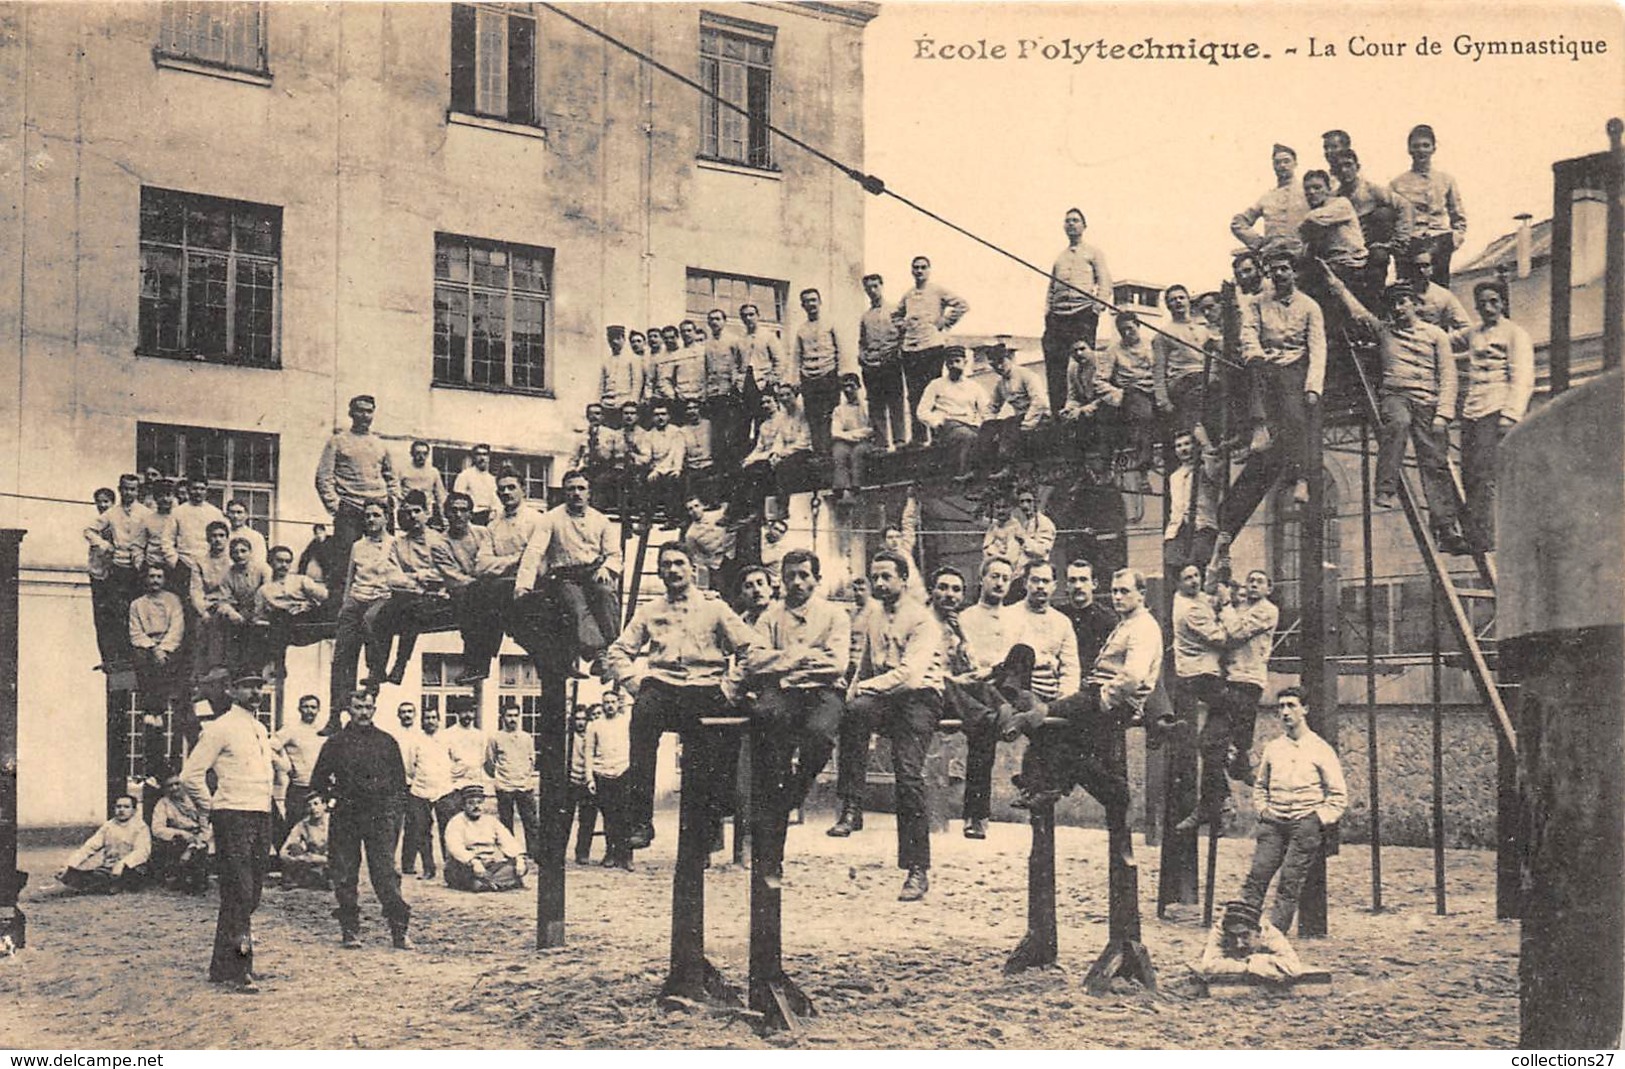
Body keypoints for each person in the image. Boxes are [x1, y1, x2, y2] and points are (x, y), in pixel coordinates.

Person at [601, 543, 759, 850]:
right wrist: (635, 683)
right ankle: (641, 821)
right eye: (666, 565)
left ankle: (713, 822)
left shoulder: (715, 608)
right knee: (642, 717)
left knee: (715, 742)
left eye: (678, 563)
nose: (672, 570)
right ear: (660, 572)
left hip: (705, 685)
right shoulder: (650, 610)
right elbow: (618, 651)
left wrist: (731, 685)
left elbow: (750, 649)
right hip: (663, 685)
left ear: (693, 570)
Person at [1322, 272, 1469, 552]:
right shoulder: (1384, 330)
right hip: (1396, 395)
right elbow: (1357, 312)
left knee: (1435, 461)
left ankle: (1446, 526)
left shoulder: (1437, 336)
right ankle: (1385, 488)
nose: (1398, 309)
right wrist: (1335, 282)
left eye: (1403, 302)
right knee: (1397, 424)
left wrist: (1443, 414)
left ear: (1414, 303)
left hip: (1428, 401)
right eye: (1393, 305)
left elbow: (1449, 376)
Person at [1003, 569, 1163, 819]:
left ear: (1141, 594)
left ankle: (1046, 783)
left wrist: (1104, 698)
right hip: (1102, 696)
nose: (1117, 597)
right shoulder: (1128, 623)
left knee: (1047, 720)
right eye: (1114, 591)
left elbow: (1134, 675)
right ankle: (1044, 783)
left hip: (1114, 701)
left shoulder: (1143, 627)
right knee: (1060, 739)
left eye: (1124, 591)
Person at [834, 551, 943, 901]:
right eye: (875, 577)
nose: (880, 584)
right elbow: (865, 662)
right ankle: (852, 806)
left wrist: (864, 689)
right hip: (884, 695)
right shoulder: (874, 615)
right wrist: (853, 693)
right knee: (853, 713)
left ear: (903, 579)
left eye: (887, 577)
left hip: (920, 697)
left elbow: (910, 678)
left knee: (908, 775)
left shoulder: (922, 619)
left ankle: (917, 870)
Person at [1212, 238, 1326, 570]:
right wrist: (1255, 355)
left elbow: (1318, 349)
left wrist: (1313, 387)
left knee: (1294, 411)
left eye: (1284, 270)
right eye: (1274, 270)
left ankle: (1301, 478)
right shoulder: (1258, 303)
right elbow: (1248, 333)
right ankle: (1258, 428)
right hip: (1267, 364)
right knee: (1256, 369)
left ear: (1293, 273)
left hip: (1295, 366)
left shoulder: (1309, 306)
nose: (1279, 275)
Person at [744, 549, 850, 887]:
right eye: (790, 575)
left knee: (820, 736)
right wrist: (803, 657)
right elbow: (755, 660)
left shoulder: (835, 615)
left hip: (823, 691)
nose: (797, 582)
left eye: (804, 575)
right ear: (782, 579)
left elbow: (836, 664)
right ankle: (770, 863)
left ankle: (799, 786)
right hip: (783, 693)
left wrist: (785, 660)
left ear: (817, 579)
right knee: (770, 770)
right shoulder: (770, 617)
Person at [180, 672, 278, 993]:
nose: (255, 692)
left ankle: (222, 966)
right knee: (240, 893)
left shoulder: (261, 729)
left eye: (259, 686)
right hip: (232, 818)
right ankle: (240, 968)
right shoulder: (219, 728)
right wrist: (212, 809)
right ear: (231, 689)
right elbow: (191, 775)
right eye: (247, 686)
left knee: (249, 895)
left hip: (260, 816)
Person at [308, 689, 412, 947]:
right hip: (347, 815)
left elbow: (400, 785)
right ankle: (350, 930)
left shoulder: (387, 742)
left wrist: (392, 815)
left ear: (374, 710)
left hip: (379, 816)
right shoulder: (335, 743)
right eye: (358, 707)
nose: (363, 712)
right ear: (349, 709)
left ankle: (399, 931)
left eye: (368, 707)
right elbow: (318, 781)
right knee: (344, 874)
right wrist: (334, 797)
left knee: (385, 873)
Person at [1237, 688, 1347, 933]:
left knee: (1289, 882)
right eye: (1281, 706)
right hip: (1274, 823)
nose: (1285, 712)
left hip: (1304, 824)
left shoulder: (1320, 748)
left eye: (1292, 706)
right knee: (1257, 877)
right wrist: (1264, 811)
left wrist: (1316, 819)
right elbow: (1260, 786)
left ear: (1305, 709)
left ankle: (1275, 937)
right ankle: (1242, 933)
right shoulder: (1273, 748)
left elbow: (1338, 796)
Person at [513, 469, 622, 667]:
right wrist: (523, 586)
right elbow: (534, 552)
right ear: (565, 493)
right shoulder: (551, 518)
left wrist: (607, 568)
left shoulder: (601, 520)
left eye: (581, 489)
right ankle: (599, 653)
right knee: (575, 602)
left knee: (606, 593)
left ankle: (613, 651)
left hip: (594, 571)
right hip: (565, 576)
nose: (576, 493)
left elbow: (615, 554)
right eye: (571, 489)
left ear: (589, 493)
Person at [1458, 282, 1535, 555]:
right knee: (1468, 473)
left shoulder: (1515, 334)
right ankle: (1473, 534)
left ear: (1503, 303)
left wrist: (1510, 415)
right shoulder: (1473, 333)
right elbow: (1449, 340)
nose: (1488, 308)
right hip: (1472, 410)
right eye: (1482, 303)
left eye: (1494, 301)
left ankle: (1484, 537)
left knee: (1484, 474)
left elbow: (1523, 377)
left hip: (1496, 408)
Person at [955, 557, 1020, 837]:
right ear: (982, 579)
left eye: (1005, 578)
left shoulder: (1017, 617)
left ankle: (975, 815)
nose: (999, 583)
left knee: (1020, 656)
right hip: (979, 691)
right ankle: (976, 816)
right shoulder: (966, 617)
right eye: (994, 576)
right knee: (983, 735)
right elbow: (966, 661)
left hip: (1007, 687)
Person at [458, 471, 542, 684]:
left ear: (523, 489)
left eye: (511, 487)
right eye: (502, 489)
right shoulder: (494, 524)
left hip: (532, 583)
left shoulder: (537, 520)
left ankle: (479, 662)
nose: (506, 492)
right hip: (501, 583)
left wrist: (504, 563)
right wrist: (514, 559)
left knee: (487, 594)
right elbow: (482, 564)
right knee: (473, 592)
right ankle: (477, 664)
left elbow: (537, 559)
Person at [1167, 565, 1233, 833]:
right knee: (1213, 741)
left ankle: (1220, 801)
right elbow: (1222, 638)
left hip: (1196, 673)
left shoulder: (1190, 598)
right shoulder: (1189, 609)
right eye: (1187, 578)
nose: (1194, 581)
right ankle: (1224, 790)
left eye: (1196, 576)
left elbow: (1208, 593)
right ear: (1178, 582)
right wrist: (1227, 605)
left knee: (1210, 743)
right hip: (1202, 675)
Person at [315, 395, 398, 605]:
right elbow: (323, 477)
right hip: (350, 509)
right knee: (345, 564)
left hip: (379, 508)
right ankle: (340, 616)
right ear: (351, 413)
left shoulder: (379, 444)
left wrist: (392, 501)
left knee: (386, 559)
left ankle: (383, 608)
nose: (364, 415)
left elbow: (391, 477)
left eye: (369, 411)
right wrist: (337, 507)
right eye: (360, 410)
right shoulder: (338, 441)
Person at [327, 501, 398, 726]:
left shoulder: (395, 544)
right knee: (341, 657)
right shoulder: (358, 546)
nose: (371, 520)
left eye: (376, 515)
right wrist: (346, 605)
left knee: (372, 625)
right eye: (367, 516)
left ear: (386, 518)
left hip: (383, 597)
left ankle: (374, 677)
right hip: (357, 598)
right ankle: (336, 713)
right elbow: (350, 577)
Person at [1042, 207, 1112, 418]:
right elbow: (1051, 289)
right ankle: (1059, 414)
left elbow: (1105, 281)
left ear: (1084, 226)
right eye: (1068, 221)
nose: (1071, 224)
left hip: (1082, 314)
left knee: (1082, 362)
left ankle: (1085, 412)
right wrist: (1048, 312)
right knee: (1056, 364)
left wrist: (1096, 307)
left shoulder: (1093, 252)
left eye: (1075, 221)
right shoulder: (1059, 258)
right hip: (1058, 317)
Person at [895, 256, 969, 444]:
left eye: (923, 267)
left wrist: (944, 322)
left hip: (932, 348)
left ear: (929, 270)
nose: (919, 271)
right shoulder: (909, 294)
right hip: (911, 349)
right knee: (914, 394)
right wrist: (903, 326)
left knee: (935, 391)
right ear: (912, 271)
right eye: (916, 268)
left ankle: (938, 436)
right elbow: (896, 315)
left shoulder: (937, 290)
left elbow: (962, 305)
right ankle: (918, 438)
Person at [1329, 148, 1413, 300]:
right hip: (1349, 248)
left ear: (1357, 167)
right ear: (1334, 172)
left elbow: (1404, 206)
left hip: (1372, 245)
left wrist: (1399, 240)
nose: (1344, 170)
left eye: (1348, 165)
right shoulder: (1334, 197)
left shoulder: (1371, 190)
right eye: (1339, 168)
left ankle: (1377, 299)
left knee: (1383, 217)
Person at [1390, 124, 1467, 285]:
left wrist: (1456, 238)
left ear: (1433, 149)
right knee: (1407, 290)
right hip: (1411, 242)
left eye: (1426, 145)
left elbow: (1458, 215)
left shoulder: (1446, 180)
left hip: (1439, 240)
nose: (1421, 150)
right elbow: (1391, 218)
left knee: (1439, 289)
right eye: (1416, 146)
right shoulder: (1397, 184)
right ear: (1409, 150)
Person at [90, 473, 152, 669]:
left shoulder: (146, 513)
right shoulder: (111, 513)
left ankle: (136, 655)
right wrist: (104, 545)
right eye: (125, 488)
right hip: (117, 567)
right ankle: (119, 657)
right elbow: (89, 530)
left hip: (138, 568)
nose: (129, 492)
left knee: (137, 610)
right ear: (120, 489)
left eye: (133, 489)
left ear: (138, 491)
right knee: (118, 611)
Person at [129, 563, 186, 759]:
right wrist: (153, 648)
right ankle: (150, 712)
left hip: (168, 645)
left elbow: (177, 627)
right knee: (142, 660)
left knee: (167, 668)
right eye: (151, 576)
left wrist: (163, 648)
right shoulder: (137, 604)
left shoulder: (173, 601)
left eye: (159, 577)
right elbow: (135, 632)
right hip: (147, 646)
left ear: (164, 579)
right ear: (146, 579)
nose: (155, 580)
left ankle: (158, 712)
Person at [1153, 285, 1219, 449]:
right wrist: (1162, 401)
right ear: (1168, 306)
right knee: (1196, 394)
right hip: (1182, 380)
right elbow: (1158, 370)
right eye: (1173, 300)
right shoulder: (1163, 334)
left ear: (1188, 300)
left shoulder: (1204, 328)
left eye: (1181, 297)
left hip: (1207, 377)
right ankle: (1206, 446)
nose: (1178, 302)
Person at [246, 544, 329, 673]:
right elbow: (258, 618)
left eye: (287, 561)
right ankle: (277, 667)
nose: (283, 565)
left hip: (306, 623)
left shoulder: (301, 580)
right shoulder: (264, 590)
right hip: (283, 628)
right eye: (279, 561)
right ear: (270, 562)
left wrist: (310, 605)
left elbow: (325, 597)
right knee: (279, 616)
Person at [1097, 312, 1158, 480]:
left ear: (1138, 326)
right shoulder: (1113, 350)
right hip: (1132, 391)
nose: (1126, 334)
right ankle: (1143, 465)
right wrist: (1117, 394)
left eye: (1130, 329)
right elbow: (1100, 380)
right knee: (1143, 414)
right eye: (1122, 330)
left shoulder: (1152, 344)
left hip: (1156, 388)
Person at [737, 387, 812, 520]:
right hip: (785, 452)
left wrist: (782, 454)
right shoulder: (782, 418)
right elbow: (779, 440)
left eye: (788, 395)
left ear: (795, 395)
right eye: (781, 396)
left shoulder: (803, 414)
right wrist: (775, 454)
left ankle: (782, 508)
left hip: (802, 451)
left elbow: (804, 441)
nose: (785, 398)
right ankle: (750, 511)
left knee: (783, 467)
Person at [1014, 561, 1080, 705]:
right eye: (1035, 580)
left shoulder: (1062, 622)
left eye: (1046, 581)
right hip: (1021, 695)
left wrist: (1064, 699)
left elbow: (1070, 667)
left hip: (1053, 696)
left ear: (1054, 585)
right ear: (1025, 583)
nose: (1040, 586)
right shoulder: (1010, 615)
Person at [915, 347, 987, 479]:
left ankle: (980, 476)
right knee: (967, 437)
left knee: (987, 437)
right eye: (949, 362)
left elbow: (986, 410)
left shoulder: (974, 386)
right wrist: (937, 423)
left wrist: (986, 423)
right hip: (947, 425)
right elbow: (922, 411)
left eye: (957, 361)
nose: (953, 365)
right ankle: (963, 473)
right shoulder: (936, 385)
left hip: (971, 423)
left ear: (965, 362)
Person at [58, 795, 151, 895]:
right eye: (118, 807)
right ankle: (101, 884)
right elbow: (89, 847)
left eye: (126, 807)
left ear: (134, 810)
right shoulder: (108, 826)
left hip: (131, 867)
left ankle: (105, 885)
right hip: (109, 867)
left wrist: (122, 864)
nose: (121, 810)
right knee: (88, 875)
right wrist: (70, 865)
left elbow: (142, 852)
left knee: (130, 876)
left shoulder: (140, 827)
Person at [443, 784, 530, 892]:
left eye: (479, 802)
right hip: (465, 866)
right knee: (466, 876)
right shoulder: (456, 822)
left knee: (521, 866)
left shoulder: (491, 821)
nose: (476, 807)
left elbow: (507, 840)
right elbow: (455, 848)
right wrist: (473, 862)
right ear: (463, 805)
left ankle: (486, 883)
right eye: (471, 803)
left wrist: (519, 859)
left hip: (489, 865)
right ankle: (503, 882)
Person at [981, 344, 1049, 477]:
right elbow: (992, 407)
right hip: (1019, 419)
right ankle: (979, 470)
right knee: (987, 426)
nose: (999, 367)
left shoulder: (1026, 375)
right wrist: (989, 422)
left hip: (1038, 417)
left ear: (1009, 358)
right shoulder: (1000, 384)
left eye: (1001, 362)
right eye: (994, 366)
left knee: (1010, 423)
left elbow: (1040, 402)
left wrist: (1027, 423)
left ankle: (1008, 467)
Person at [402, 705, 454, 880]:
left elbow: (456, 761)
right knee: (422, 831)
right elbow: (410, 768)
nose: (430, 721)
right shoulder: (416, 741)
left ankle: (451, 868)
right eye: (427, 718)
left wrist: (447, 779)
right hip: (421, 791)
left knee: (447, 830)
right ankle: (428, 868)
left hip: (444, 790)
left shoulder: (447, 739)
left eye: (433, 717)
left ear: (439, 720)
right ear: (422, 721)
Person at [585, 689, 634, 870]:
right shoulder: (595, 725)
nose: (610, 705)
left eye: (613, 702)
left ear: (618, 703)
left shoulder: (627, 722)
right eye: (606, 702)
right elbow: (589, 753)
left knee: (625, 816)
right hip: (602, 773)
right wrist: (589, 778)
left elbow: (634, 747)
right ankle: (610, 853)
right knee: (609, 816)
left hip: (623, 770)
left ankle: (627, 856)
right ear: (602, 704)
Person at [1231, 143, 1310, 251]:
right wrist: (1258, 243)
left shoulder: (1307, 190)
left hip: (1303, 255)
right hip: (1275, 257)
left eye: (1286, 161)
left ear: (1295, 163)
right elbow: (1238, 222)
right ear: (1273, 166)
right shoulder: (1267, 198)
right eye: (1278, 163)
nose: (1282, 165)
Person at [857, 274, 906, 449]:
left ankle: (900, 441)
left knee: (895, 402)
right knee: (876, 405)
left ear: (882, 286)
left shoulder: (894, 310)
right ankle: (881, 443)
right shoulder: (865, 317)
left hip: (891, 363)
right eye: (868, 288)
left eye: (875, 286)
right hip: (872, 366)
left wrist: (897, 353)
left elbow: (903, 335)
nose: (872, 290)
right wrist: (862, 357)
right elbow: (862, 342)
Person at [1164, 430, 1222, 577]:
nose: (1183, 449)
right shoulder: (1174, 476)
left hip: (1202, 526)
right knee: (1176, 572)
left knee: (1199, 571)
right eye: (1178, 446)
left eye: (1187, 444)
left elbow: (1213, 469)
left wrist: (1204, 441)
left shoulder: (1204, 469)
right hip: (1177, 530)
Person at [793, 288, 843, 454]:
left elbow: (841, 350)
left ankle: (830, 452)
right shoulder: (801, 330)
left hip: (828, 374)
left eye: (814, 300)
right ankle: (818, 452)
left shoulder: (831, 323)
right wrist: (796, 380)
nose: (811, 304)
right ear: (803, 305)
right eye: (807, 301)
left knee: (829, 414)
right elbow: (797, 356)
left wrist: (841, 373)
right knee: (813, 416)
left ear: (820, 302)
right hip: (809, 378)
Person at [1059, 338, 1118, 478]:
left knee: (1104, 420)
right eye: (1074, 351)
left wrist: (1083, 410)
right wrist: (1069, 409)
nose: (1079, 353)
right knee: (1066, 423)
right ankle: (1079, 470)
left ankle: (1107, 466)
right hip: (1090, 407)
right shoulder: (1073, 368)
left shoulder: (1103, 360)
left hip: (1112, 402)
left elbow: (1111, 393)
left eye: (1082, 348)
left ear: (1090, 348)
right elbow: (1073, 395)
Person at [486, 705, 537, 857]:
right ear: (502, 717)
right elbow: (489, 762)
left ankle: (533, 853)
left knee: (531, 822)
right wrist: (500, 778)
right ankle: (510, 853)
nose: (512, 719)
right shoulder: (495, 738)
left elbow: (532, 760)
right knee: (506, 823)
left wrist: (525, 776)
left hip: (524, 786)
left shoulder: (526, 737)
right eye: (509, 715)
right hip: (504, 787)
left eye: (515, 715)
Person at [150, 774, 212, 893]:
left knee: (201, 850)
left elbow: (206, 826)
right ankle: (180, 877)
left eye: (177, 784)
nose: (174, 788)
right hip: (179, 839)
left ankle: (198, 880)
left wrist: (193, 845)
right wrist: (181, 833)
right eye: (170, 786)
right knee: (176, 843)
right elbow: (157, 828)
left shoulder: (197, 800)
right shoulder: (163, 803)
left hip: (200, 837)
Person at [700, 308, 745, 467]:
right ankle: (719, 465)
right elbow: (705, 370)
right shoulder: (706, 344)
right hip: (713, 394)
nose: (714, 322)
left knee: (731, 431)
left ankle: (732, 464)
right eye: (711, 319)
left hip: (730, 393)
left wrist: (737, 386)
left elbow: (742, 366)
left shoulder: (734, 340)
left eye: (717, 319)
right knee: (716, 432)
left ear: (724, 321)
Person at [738, 302, 788, 440]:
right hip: (746, 384)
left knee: (765, 420)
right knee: (745, 421)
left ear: (758, 316)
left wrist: (772, 379)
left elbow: (781, 360)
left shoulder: (768, 336)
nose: (748, 318)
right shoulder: (740, 339)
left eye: (751, 315)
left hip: (763, 384)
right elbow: (737, 364)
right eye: (744, 316)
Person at [632, 400, 687, 523]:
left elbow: (676, 454)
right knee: (643, 480)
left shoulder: (676, 432)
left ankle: (672, 517)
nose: (660, 418)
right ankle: (646, 518)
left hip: (673, 467)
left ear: (669, 416)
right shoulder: (648, 435)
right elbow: (647, 456)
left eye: (663, 414)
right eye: (656, 415)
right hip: (655, 469)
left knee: (673, 481)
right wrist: (635, 457)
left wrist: (669, 470)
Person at [830, 372, 875, 503]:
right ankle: (843, 491)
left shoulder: (867, 406)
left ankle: (855, 488)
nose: (848, 390)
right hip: (845, 442)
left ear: (858, 387)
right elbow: (835, 432)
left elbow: (871, 429)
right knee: (838, 452)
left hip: (863, 442)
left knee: (858, 452)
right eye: (844, 387)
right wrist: (852, 436)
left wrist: (853, 435)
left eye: (851, 386)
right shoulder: (839, 410)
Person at [173, 477, 228, 580]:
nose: (198, 492)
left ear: (206, 491)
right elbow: (167, 540)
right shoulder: (177, 512)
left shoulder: (215, 512)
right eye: (195, 488)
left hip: (209, 564)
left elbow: (225, 539)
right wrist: (175, 562)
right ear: (188, 490)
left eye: (202, 489)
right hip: (183, 563)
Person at [567, 699, 600, 864]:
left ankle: (582, 853)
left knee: (587, 821)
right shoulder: (568, 738)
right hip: (571, 782)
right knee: (565, 820)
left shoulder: (593, 736)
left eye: (583, 719)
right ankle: (559, 852)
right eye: (577, 719)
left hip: (587, 782)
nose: (580, 723)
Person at [279, 793, 332, 890]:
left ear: (324, 805)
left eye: (316, 804)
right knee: (294, 847)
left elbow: (344, 854)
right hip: (311, 862)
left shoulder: (333, 822)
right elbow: (284, 850)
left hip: (330, 861)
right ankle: (306, 878)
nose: (313, 808)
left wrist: (318, 858)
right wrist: (294, 859)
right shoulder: (303, 824)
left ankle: (322, 879)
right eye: (309, 805)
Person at [601, 324, 645, 428]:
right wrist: (599, 401)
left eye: (617, 338)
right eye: (611, 339)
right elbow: (601, 384)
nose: (614, 342)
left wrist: (632, 402)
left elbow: (637, 381)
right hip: (607, 403)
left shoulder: (633, 359)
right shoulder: (606, 362)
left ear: (623, 339)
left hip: (625, 402)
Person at [399, 440, 449, 529]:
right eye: (418, 453)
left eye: (424, 454)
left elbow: (441, 496)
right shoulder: (403, 470)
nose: (421, 457)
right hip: (408, 512)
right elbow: (396, 491)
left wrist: (444, 518)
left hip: (427, 513)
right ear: (412, 453)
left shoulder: (433, 472)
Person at [453, 444, 500, 527]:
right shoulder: (465, 475)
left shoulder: (492, 479)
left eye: (485, 454)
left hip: (489, 518)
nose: (482, 458)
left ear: (489, 458)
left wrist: (494, 512)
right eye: (478, 454)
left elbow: (496, 501)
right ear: (474, 457)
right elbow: (458, 498)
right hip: (472, 516)